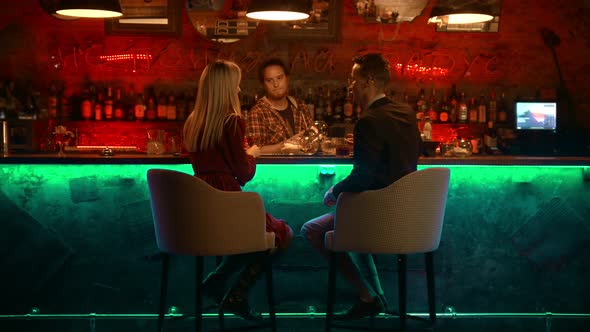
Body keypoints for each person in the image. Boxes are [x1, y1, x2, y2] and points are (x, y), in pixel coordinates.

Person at [300, 53, 421, 320]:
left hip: (377, 216)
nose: (350, 86)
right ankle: (377, 296)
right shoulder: (407, 113)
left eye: (353, 79)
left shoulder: (369, 121)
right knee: (351, 219)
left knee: (311, 230)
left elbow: (362, 177)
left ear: (368, 81)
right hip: (408, 216)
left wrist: (334, 191)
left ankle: (367, 295)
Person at [183, 60, 293, 320]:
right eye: (236, 83)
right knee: (280, 234)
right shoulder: (232, 122)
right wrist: (252, 154)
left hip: (202, 206)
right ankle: (237, 294)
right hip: (227, 200)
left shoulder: (193, 122)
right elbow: (243, 174)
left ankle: (217, 279)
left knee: (257, 238)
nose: (240, 89)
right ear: (226, 88)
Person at [247, 58, 314, 154]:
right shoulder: (258, 112)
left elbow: (312, 140)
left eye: (279, 78)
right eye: (269, 80)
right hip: (275, 168)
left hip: (303, 166)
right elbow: (253, 150)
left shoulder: (300, 106)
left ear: (287, 79)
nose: (276, 84)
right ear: (263, 84)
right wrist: (286, 145)